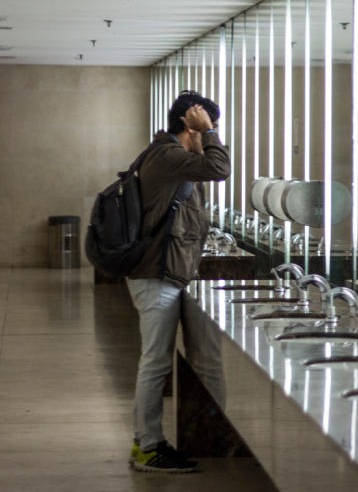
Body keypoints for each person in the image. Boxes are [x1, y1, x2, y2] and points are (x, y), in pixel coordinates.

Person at [126, 90, 230, 473]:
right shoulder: (168, 156)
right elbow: (220, 169)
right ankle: (147, 447)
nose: (212, 134)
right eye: (207, 126)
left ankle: (149, 443)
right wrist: (209, 135)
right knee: (154, 362)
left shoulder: (172, 158)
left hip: (165, 272)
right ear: (190, 124)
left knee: (155, 361)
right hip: (156, 275)